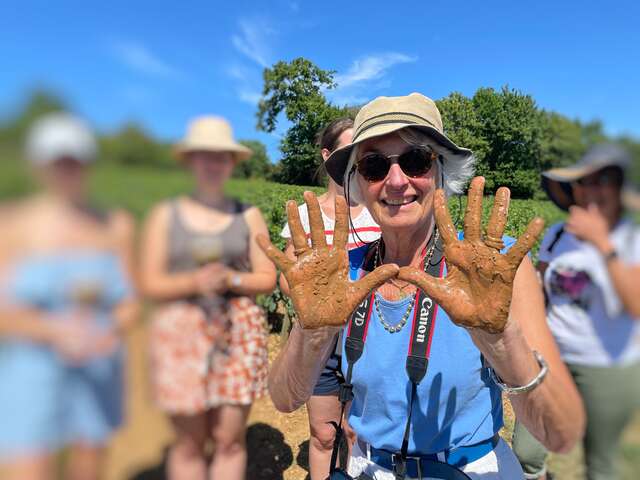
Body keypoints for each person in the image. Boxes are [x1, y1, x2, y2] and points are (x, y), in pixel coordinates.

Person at [258, 93, 586, 479]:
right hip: (369, 468)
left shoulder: (492, 271)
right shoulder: (342, 275)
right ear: (359, 185)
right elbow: (284, 398)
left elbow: (559, 435)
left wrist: (498, 341)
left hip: (470, 469)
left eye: (416, 161)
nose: (397, 181)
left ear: (443, 173)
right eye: (375, 166)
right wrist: (313, 332)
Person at [0, 113, 138, 480]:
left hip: (98, 364)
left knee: (88, 466)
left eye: (75, 162)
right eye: (58, 162)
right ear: (39, 166)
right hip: (31, 366)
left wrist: (110, 330)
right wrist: (54, 331)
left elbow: (130, 304)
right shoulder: (11, 224)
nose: (67, 171)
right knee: (29, 469)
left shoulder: (115, 224)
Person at [140, 116, 277, 480]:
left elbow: (268, 277)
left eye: (220, 157)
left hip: (238, 333)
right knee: (188, 445)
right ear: (191, 161)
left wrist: (230, 277)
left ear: (231, 163)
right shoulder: (164, 215)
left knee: (228, 439)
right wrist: (193, 281)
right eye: (205, 156)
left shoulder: (249, 215)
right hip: (181, 334)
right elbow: (149, 283)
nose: (212, 164)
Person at [512, 144, 640, 480]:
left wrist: (602, 244)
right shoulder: (557, 236)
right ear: (575, 189)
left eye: (604, 181)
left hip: (606, 363)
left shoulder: (630, 239)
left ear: (618, 189)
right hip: (552, 357)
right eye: (586, 182)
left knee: (600, 464)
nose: (593, 189)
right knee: (527, 450)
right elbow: (539, 286)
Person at [280, 118, 381, 479]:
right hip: (322, 338)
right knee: (324, 433)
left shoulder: (379, 209)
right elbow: (286, 274)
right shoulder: (307, 214)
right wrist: (314, 296)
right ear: (328, 155)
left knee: (356, 432)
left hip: (369, 336)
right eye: (347, 151)